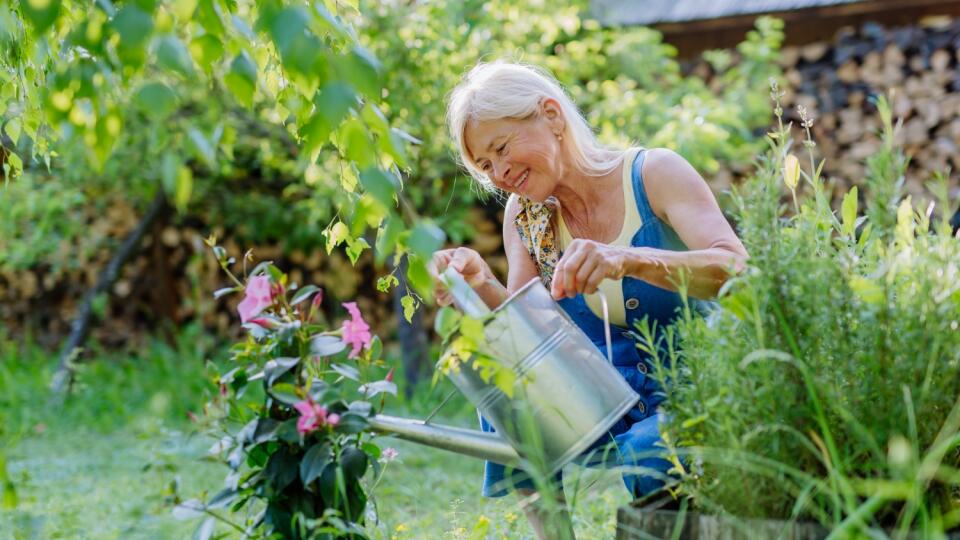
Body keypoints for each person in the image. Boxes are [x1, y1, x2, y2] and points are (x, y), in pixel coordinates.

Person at [429, 61, 748, 539]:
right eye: (486, 166)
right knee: (505, 377)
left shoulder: (653, 173)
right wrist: (478, 284)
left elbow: (736, 270)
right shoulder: (525, 213)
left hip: (695, 389)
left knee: (650, 446)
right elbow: (532, 331)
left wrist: (628, 259)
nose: (500, 174)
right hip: (606, 398)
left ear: (552, 116)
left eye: (501, 148)